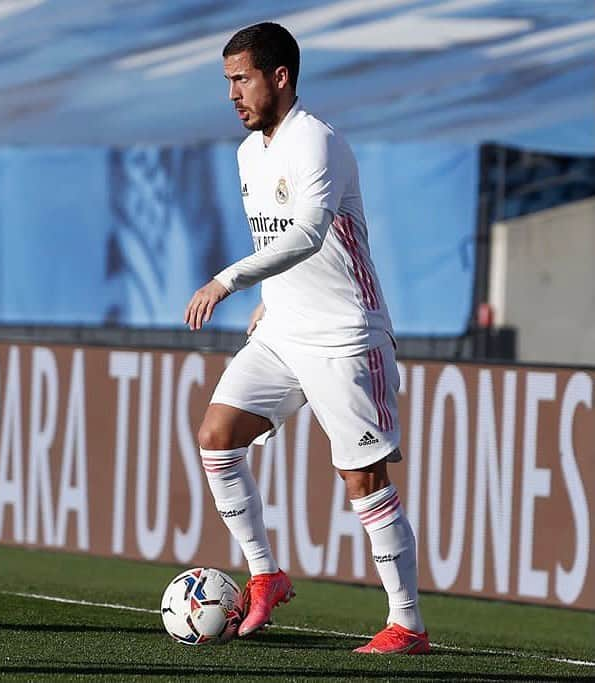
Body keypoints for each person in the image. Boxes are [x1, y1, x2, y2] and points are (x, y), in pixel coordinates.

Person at [184, 22, 429, 655]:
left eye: (242, 79)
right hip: (283, 331)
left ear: (280, 77)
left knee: (363, 480)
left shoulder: (317, 142)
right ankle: (265, 572)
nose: (233, 94)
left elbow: (309, 235)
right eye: (228, 82)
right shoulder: (248, 154)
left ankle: (408, 625)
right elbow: (277, 240)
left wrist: (229, 281)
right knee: (216, 437)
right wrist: (268, 299)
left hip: (346, 334)